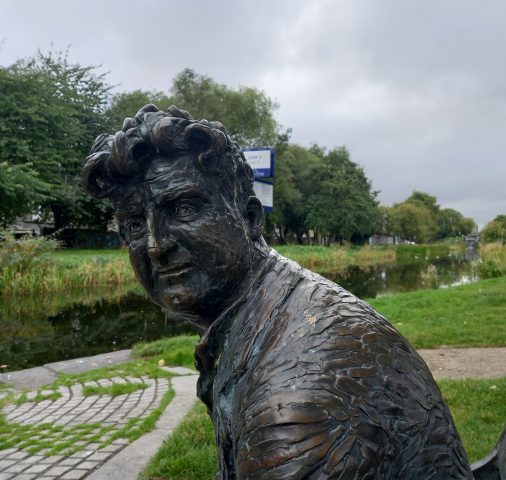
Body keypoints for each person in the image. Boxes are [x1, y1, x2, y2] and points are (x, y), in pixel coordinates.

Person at [82, 104, 472, 479]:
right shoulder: (272, 308)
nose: (154, 245)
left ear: (249, 219)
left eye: (183, 210)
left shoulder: (293, 407)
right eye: (134, 225)